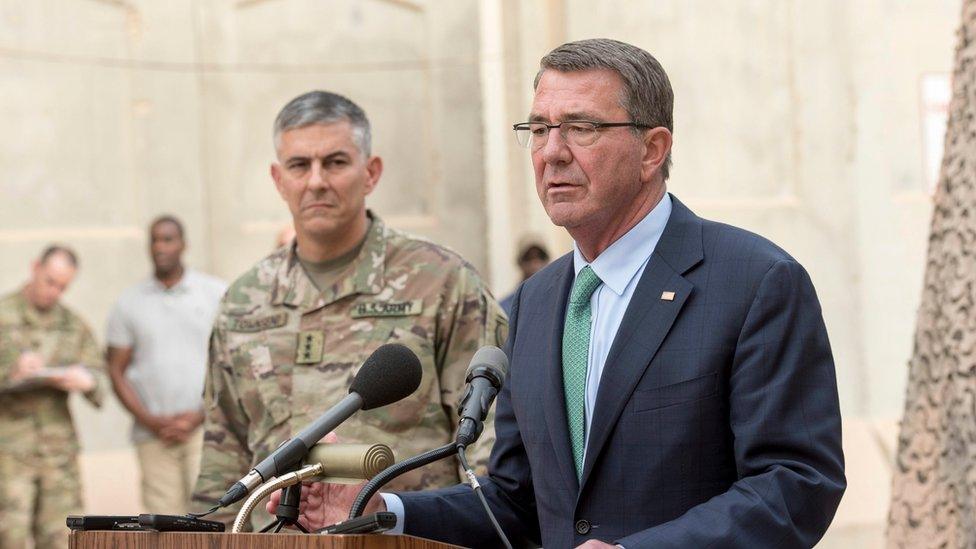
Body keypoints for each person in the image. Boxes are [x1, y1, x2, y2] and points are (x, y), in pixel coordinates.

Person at [278, 38, 846, 548]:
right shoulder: (528, 307)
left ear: (653, 150)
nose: (552, 152)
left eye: (581, 128)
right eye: (539, 129)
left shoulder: (753, 282)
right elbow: (518, 501)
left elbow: (796, 483)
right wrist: (383, 510)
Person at [191, 90, 507, 528]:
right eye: (299, 165)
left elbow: (487, 455)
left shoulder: (442, 282)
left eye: (335, 162)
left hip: (402, 537)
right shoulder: (243, 302)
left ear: (371, 172)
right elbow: (222, 458)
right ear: (278, 179)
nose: (317, 180)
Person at [106, 215, 227, 513]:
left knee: (209, 518)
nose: (161, 247)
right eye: (155, 240)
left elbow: (231, 362)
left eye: (168, 239)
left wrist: (199, 415)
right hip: (153, 437)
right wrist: (149, 420)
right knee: (160, 526)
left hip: (205, 430)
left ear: (183, 244)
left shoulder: (214, 293)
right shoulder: (129, 302)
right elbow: (115, 370)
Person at [0, 245, 104, 549]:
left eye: (63, 287)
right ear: (35, 268)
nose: (54, 292)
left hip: (58, 457)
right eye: (50, 281)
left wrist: (87, 381)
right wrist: (11, 371)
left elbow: (99, 381)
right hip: (9, 455)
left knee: (62, 539)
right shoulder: (3, 316)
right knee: (10, 537)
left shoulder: (73, 325)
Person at [499, 234, 551, 315]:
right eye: (528, 258)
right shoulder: (506, 308)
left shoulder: (559, 300)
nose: (535, 264)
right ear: (520, 263)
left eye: (540, 257)